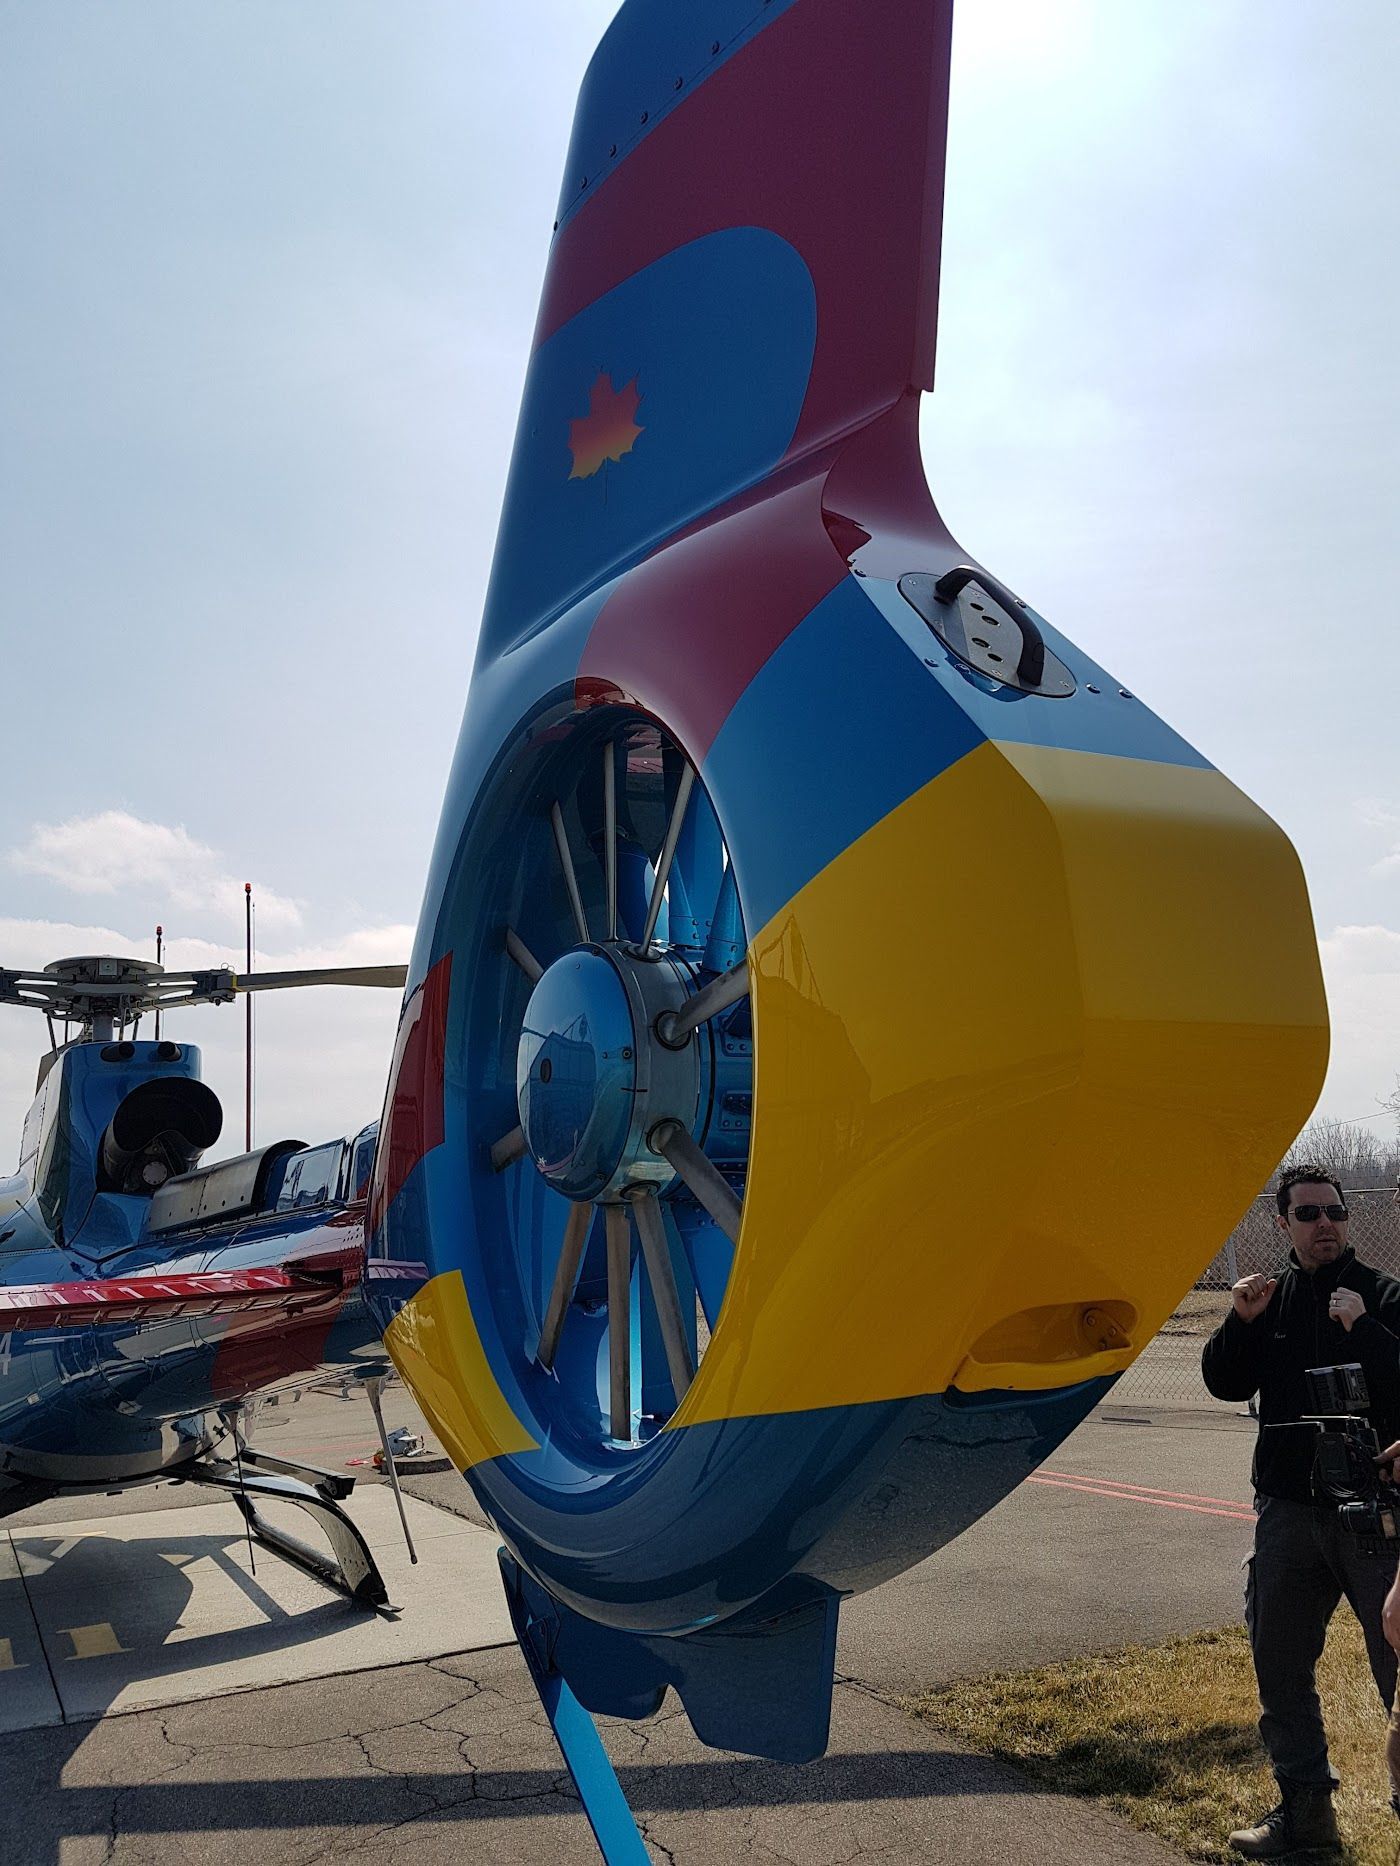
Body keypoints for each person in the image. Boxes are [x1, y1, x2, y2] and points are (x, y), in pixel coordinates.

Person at [1202, 1162, 1400, 1858]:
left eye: (1335, 1213)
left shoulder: (1383, 1295)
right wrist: (1240, 1322)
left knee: (1399, 1673)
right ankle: (1306, 1818)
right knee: (1279, 1666)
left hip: (1378, 1521)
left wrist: (1368, 1330)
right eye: (1309, 1214)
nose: (1325, 1225)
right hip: (1288, 1515)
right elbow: (1225, 1383)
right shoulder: (1271, 1300)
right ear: (1281, 1223)